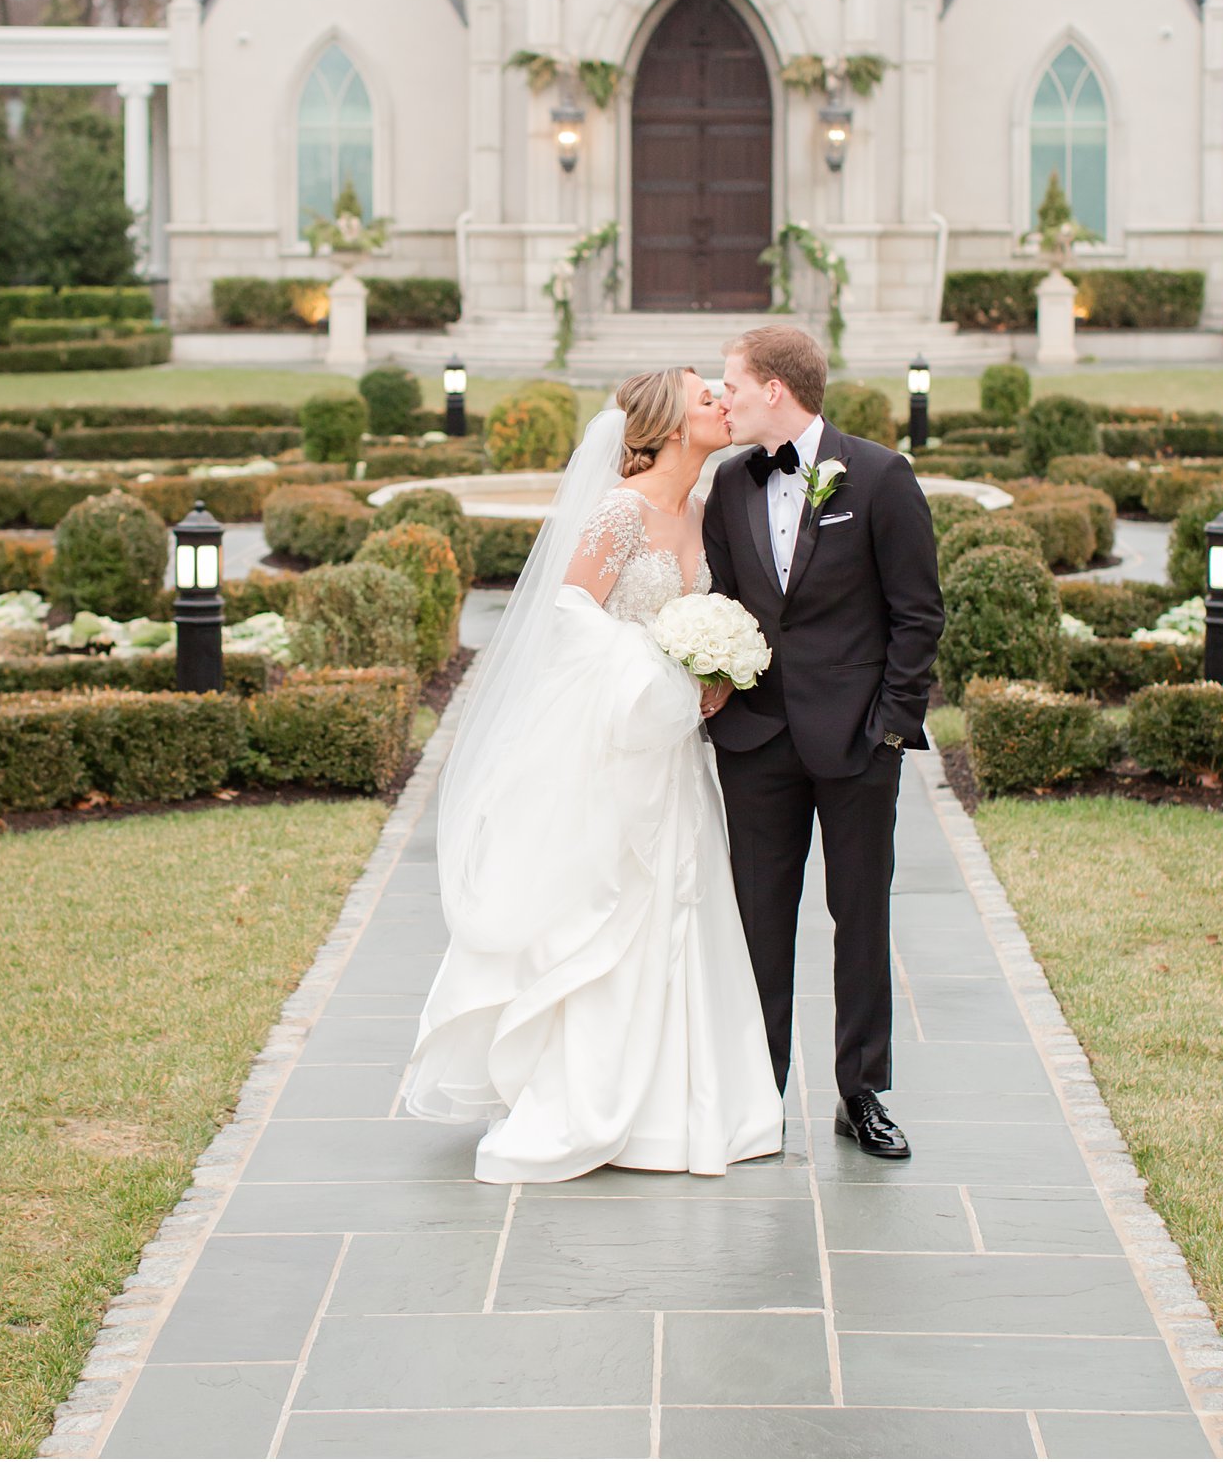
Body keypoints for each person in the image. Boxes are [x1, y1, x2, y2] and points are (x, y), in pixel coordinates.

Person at [404, 368, 784, 1184]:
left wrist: (715, 671)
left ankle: (678, 1105)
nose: (722, 400)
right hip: (615, 743)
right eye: (705, 394)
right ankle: (587, 1098)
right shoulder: (620, 509)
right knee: (609, 910)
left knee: (678, 904)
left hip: (675, 751)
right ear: (672, 421)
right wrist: (659, 671)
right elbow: (571, 617)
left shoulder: (702, 507)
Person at [703, 324, 945, 1159]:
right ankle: (758, 1094)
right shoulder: (729, 486)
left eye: (730, 383)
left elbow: (919, 613)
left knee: (859, 915)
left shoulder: (880, 475)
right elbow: (729, 606)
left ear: (774, 388)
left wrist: (889, 724)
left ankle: (862, 1092)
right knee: (759, 922)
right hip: (756, 742)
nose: (721, 397)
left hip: (856, 743)